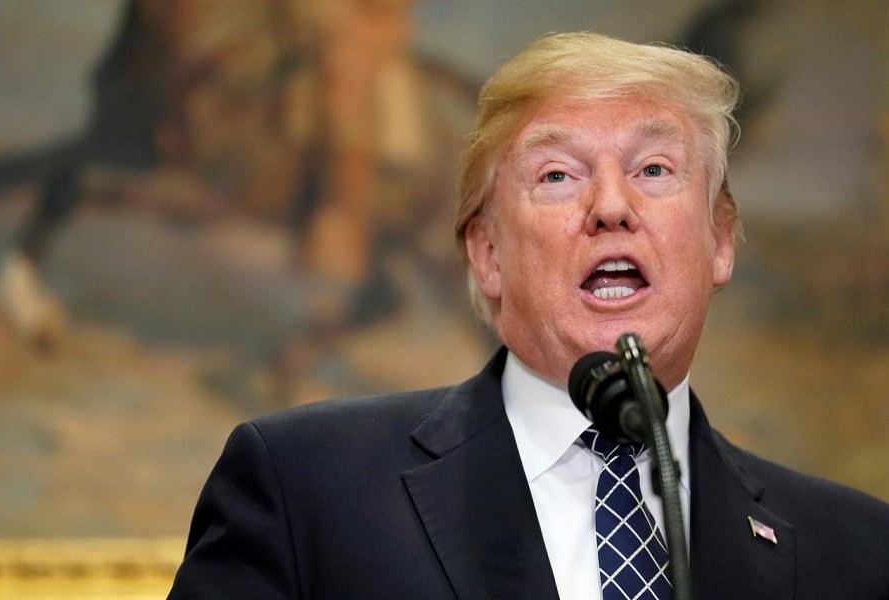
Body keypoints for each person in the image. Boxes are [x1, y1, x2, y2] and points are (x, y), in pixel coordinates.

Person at [167, 32, 889, 599]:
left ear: (721, 239)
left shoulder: (857, 549)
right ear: (487, 254)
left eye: (654, 170)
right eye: (558, 176)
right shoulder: (305, 492)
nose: (611, 207)